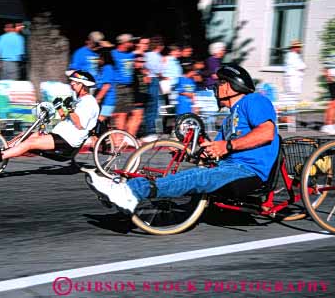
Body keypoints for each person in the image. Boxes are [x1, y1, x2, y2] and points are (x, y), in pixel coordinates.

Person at [84, 64, 279, 214]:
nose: (214, 88)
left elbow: (267, 132)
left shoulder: (254, 101)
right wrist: (191, 152)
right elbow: (214, 153)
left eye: (219, 83)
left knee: (198, 177)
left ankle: (130, 193)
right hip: (229, 168)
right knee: (192, 173)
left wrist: (227, 145)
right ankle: (121, 187)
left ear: (230, 86)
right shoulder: (229, 119)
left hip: (249, 171)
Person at [0, 70, 99, 162]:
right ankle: (4, 149)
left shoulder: (89, 103)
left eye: (75, 83)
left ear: (83, 85)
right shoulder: (79, 100)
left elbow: (79, 125)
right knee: (27, 135)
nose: (71, 84)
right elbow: (67, 120)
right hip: (59, 134)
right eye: (71, 82)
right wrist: (59, 108)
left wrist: (70, 109)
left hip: (68, 141)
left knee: (30, 143)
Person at [320, 39, 335, 135]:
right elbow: (326, 67)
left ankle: (332, 124)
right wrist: (328, 77)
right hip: (333, 80)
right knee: (333, 103)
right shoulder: (333, 53)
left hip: (334, 80)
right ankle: (328, 125)